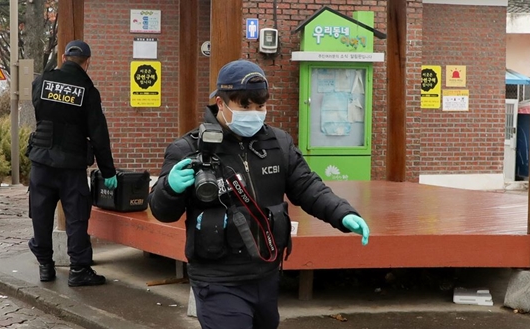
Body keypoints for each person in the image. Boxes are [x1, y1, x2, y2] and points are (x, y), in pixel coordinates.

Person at [148, 59, 370, 329]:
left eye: (260, 105)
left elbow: (308, 186)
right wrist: (169, 188)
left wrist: (342, 213)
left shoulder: (278, 143)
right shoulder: (188, 149)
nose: (254, 112)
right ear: (221, 103)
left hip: (267, 274)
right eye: (244, 105)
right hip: (217, 279)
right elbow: (162, 211)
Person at [28, 40, 118, 286]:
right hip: (71, 166)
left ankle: (46, 266)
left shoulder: (42, 82)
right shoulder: (88, 90)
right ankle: (79, 271)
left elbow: (38, 108)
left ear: (65, 57)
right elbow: (99, 134)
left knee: (41, 215)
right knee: (77, 217)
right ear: (87, 62)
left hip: (41, 162)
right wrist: (108, 170)